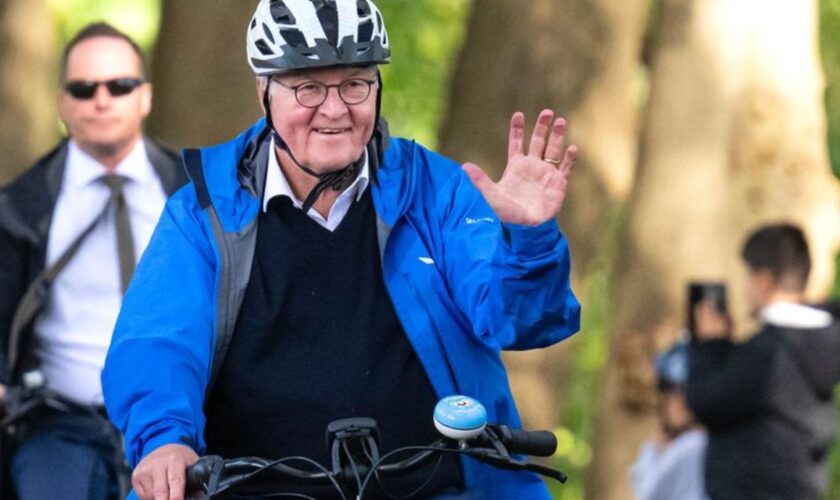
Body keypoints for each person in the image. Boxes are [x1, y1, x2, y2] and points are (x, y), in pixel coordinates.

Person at [101, 1, 581, 499]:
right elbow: (156, 341)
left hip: (437, 487)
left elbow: (519, 320)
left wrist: (528, 240)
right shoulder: (203, 213)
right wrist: (164, 440)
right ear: (263, 91)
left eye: (355, 84)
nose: (334, 110)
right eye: (307, 87)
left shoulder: (435, 189)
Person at [0, 22, 186, 500]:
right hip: (58, 427)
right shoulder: (19, 207)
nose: (102, 100)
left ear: (145, 96)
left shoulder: (195, 195)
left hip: (181, 422)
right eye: (84, 89)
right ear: (62, 103)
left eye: (119, 86)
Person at [687, 223, 840, 500]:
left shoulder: (768, 354)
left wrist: (711, 345)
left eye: (748, 277)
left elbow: (706, 403)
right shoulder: (822, 341)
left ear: (764, 281)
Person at [632, 340, 708, 500]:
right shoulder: (691, 443)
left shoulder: (694, 444)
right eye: (670, 393)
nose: (675, 403)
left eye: (683, 394)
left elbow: (648, 492)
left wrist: (652, 450)